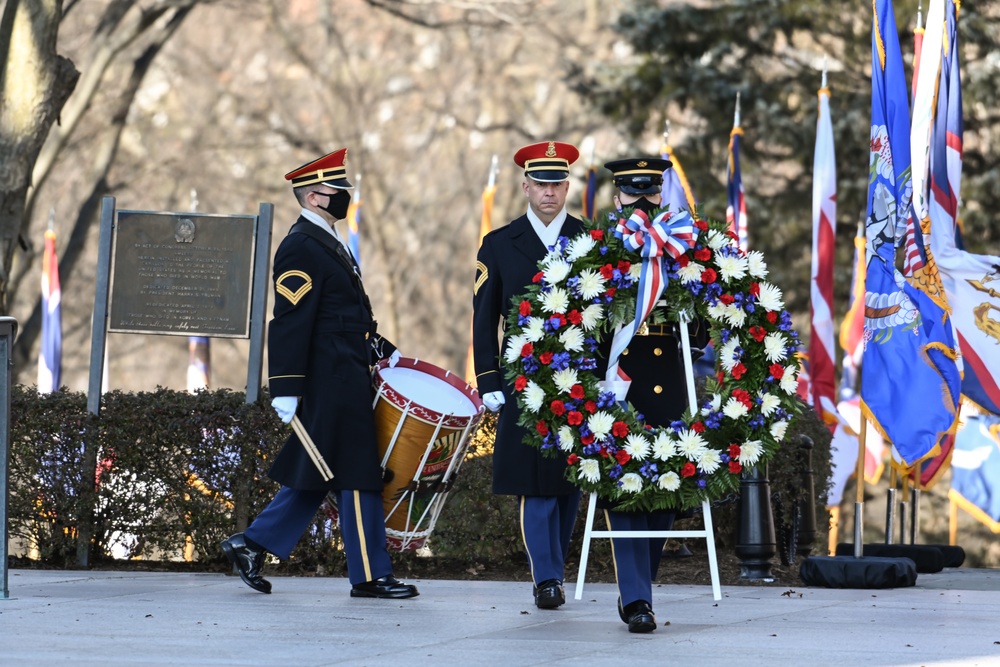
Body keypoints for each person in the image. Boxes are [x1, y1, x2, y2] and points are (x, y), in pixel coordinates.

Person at [221, 148, 418, 600]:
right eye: (337, 191)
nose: (345, 198)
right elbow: (291, 321)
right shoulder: (301, 246)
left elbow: (345, 317)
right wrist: (286, 388)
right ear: (312, 197)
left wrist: (385, 351)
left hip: (346, 372)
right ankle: (369, 575)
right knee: (355, 473)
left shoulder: (326, 240)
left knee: (324, 469)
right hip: (328, 380)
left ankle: (251, 544)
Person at [601, 157, 711, 633]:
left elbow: (706, 327)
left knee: (666, 494)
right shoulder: (601, 253)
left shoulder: (682, 247)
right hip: (622, 380)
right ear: (617, 197)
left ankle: (639, 586)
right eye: (632, 192)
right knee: (626, 493)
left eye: (650, 192)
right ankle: (638, 599)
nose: (642, 202)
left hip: (672, 380)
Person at [473, 141, 584, 610]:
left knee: (570, 481)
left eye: (557, 184)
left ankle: (555, 566)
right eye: (541, 184)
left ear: (567, 187)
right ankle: (547, 577)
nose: (549, 193)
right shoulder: (499, 244)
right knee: (535, 483)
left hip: (581, 376)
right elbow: (483, 319)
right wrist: (489, 380)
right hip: (523, 378)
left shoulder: (590, 240)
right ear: (525, 186)